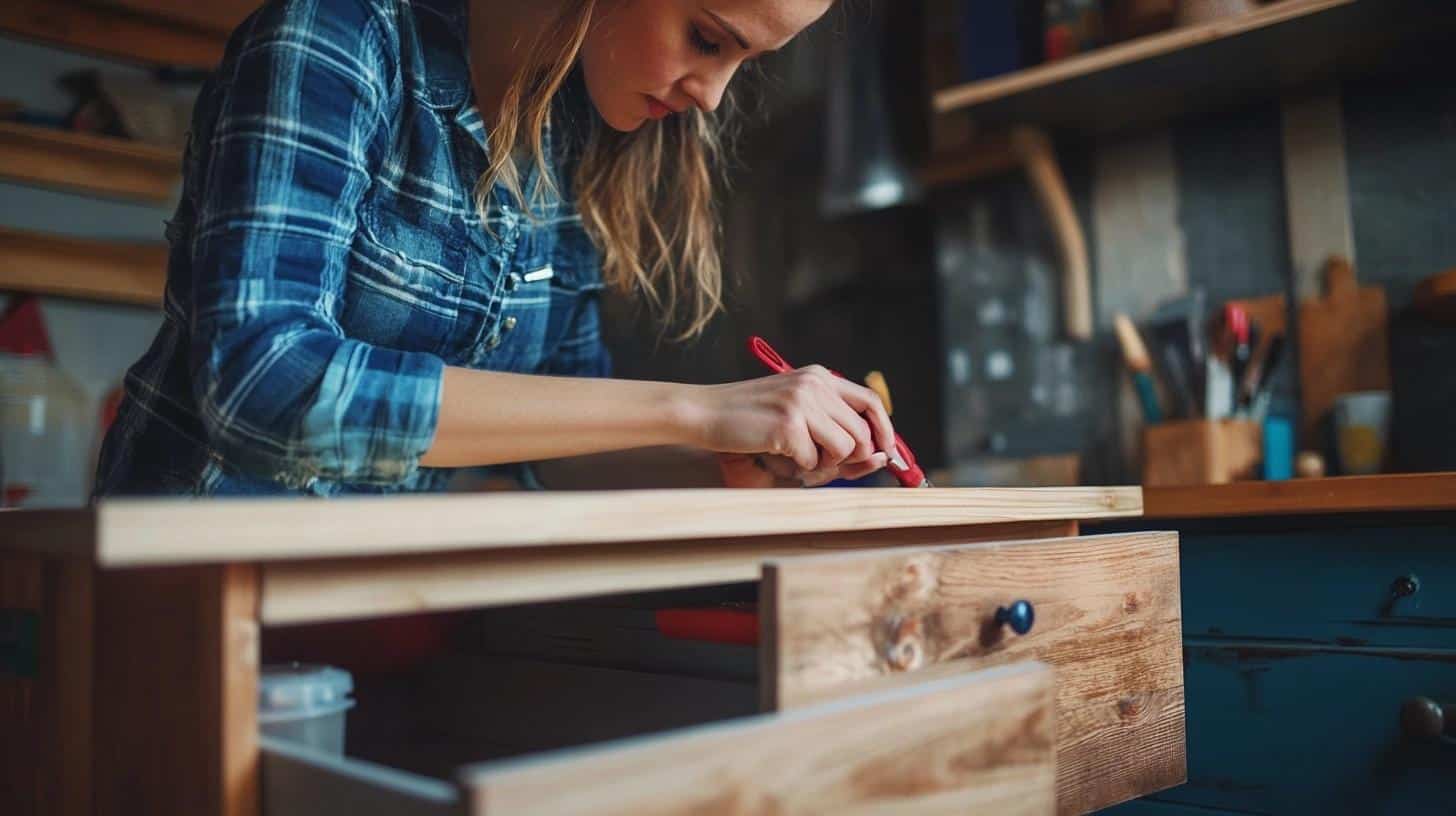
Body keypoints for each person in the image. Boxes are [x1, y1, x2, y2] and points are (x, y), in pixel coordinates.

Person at [94, 0, 902, 498]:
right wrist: (696, 409)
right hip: (187, 601)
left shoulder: (573, 137)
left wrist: (724, 457)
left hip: (367, 608)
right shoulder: (335, 37)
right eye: (705, 36)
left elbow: (551, 451)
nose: (711, 96)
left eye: (745, 61)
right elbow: (265, 386)